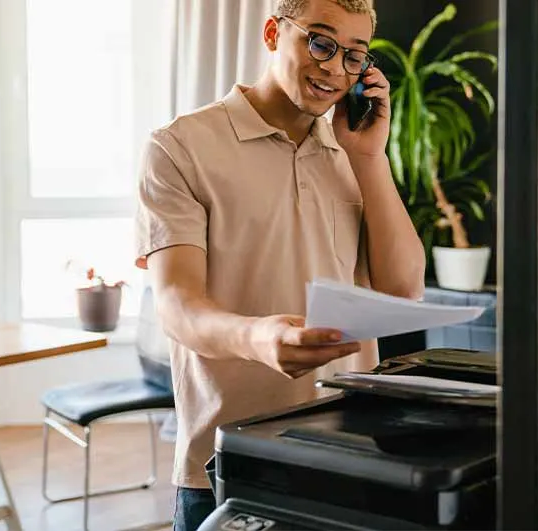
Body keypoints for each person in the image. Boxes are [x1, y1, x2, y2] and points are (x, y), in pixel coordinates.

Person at [134, 0, 425, 529]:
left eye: (355, 56)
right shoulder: (179, 148)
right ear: (273, 33)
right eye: (320, 42)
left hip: (350, 449)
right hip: (229, 458)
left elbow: (403, 287)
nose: (336, 69)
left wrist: (369, 159)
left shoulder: (355, 148)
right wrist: (260, 340)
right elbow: (177, 307)